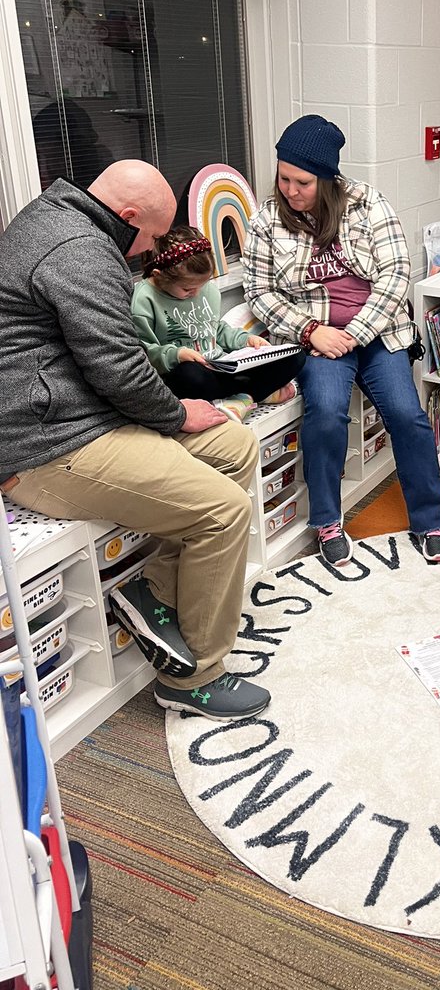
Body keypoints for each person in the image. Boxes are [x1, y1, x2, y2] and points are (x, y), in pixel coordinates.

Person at [0, 161, 269, 722]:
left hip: (87, 417)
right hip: (47, 445)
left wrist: (183, 412)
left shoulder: (67, 220)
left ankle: (158, 598)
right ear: (126, 218)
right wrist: (175, 416)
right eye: (148, 237)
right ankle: (194, 678)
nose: (148, 252)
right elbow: (119, 368)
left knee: (235, 446)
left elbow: (112, 366)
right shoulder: (75, 249)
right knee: (222, 510)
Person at [243, 114, 440, 569]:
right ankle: (328, 521)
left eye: (302, 182)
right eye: (283, 179)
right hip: (316, 338)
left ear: (328, 178)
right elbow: (258, 292)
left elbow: (397, 275)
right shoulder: (265, 221)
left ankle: (431, 521)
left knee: (406, 414)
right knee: (325, 415)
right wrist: (312, 331)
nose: (291, 191)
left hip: (378, 332)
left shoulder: (368, 204)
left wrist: (354, 334)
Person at [132, 224, 304, 422]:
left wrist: (245, 340)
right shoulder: (144, 299)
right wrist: (176, 355)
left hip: (221, 367)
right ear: (158, 276)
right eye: (188, 289)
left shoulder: (204, 288)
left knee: (295, 356)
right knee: (190, 375)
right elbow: (142, 354)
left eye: (202, 285)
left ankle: (242, 399)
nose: (196, 293)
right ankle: (256, 393)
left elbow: (216, 328)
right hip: (186, 375)